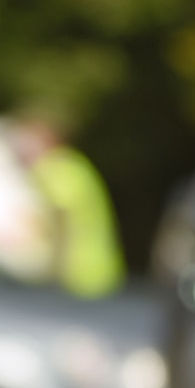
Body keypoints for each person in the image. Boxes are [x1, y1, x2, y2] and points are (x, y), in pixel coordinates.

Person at [14, 116, 127, 298]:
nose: (20, 148)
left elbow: (60, 221)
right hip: (99, 272)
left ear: (47, 140)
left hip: (77, 277)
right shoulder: (75, 165)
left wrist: (51, 274)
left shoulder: (53, 169)